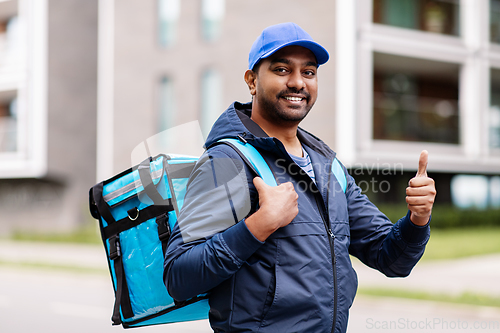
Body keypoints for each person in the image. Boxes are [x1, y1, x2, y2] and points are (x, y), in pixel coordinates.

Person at [164, 22, 436, 333]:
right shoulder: (226, 161)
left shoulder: (328, 165)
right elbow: (178, 277)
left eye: (308, 72)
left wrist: (417, 220)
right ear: (252, 81)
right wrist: (257, 226)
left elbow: (391, 260)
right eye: (282, 70)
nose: (297, 82)